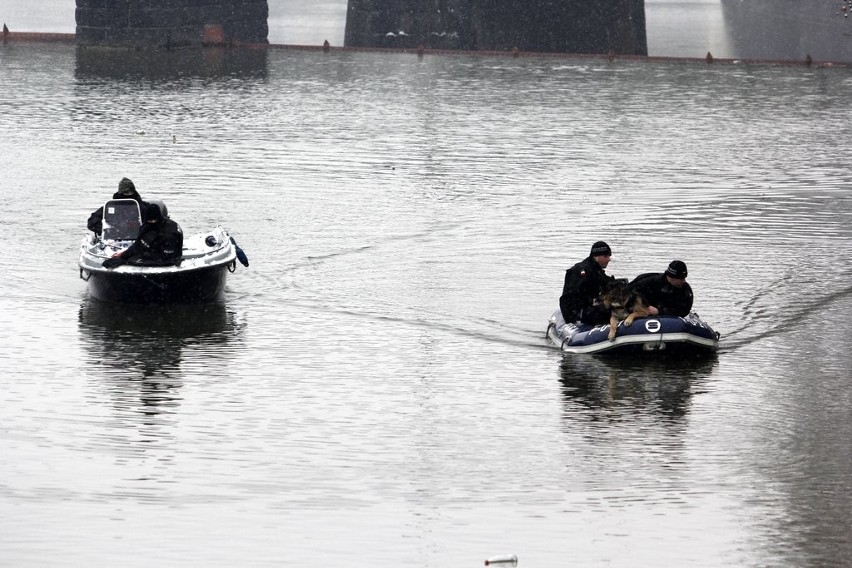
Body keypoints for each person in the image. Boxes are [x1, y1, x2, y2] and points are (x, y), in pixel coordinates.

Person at [102, 201, 183, 268]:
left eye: (154, 220)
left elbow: (167, 257)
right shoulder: (146, 227)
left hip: (167, 258)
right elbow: (138, 245)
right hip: (151, 253)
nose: (152, 222)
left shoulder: (169, 232)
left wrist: (129, 261)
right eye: (149, 221)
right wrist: (123, 255)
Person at [559, 241, 615, 325]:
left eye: (609, 256)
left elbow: (607, 283)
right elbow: (574, 296)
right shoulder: (583, 271)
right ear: (596, 257)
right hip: (576, 312)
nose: (609, 259)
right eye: (606, 256)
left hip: (587, 308)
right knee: (610, 311)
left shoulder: (597, 271)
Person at [629, 260, 693, 317]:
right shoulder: (650, 281)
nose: (684, 281)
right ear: (672, 277)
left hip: (668, 319)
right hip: (641, 315)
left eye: (684, 278)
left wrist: (659, 311)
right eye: (681, 279)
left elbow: (684, 311)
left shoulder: (685, 290)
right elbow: (629, 292)